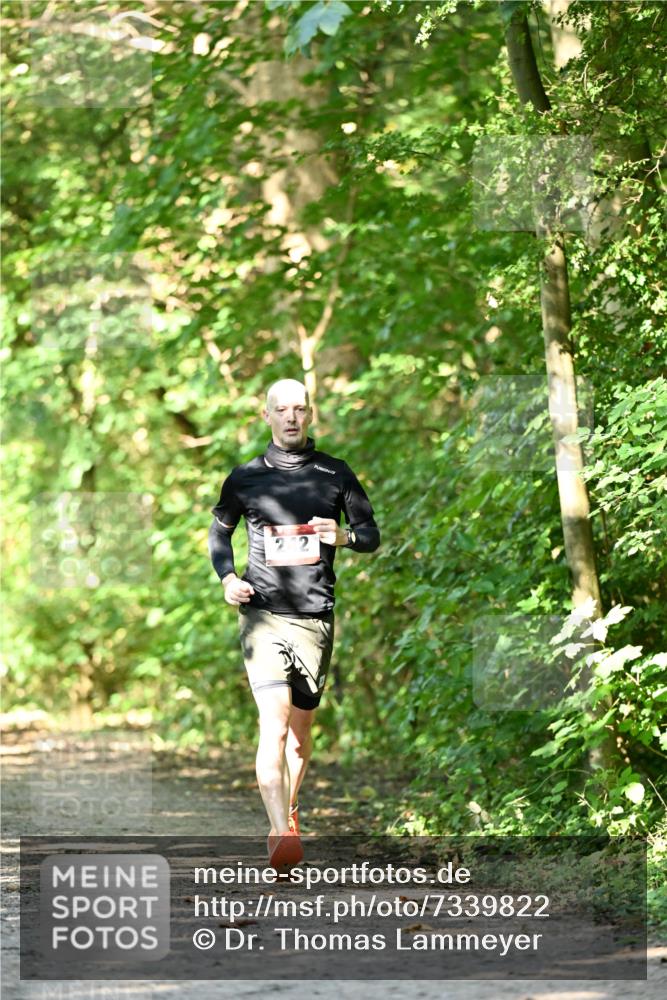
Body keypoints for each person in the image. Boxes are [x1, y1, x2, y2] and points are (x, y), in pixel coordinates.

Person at [208, 378, 380, 870]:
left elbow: (370, 534)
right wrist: (227, 579)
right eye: (280, 410)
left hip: (315, 618)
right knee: (275, 727)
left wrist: (342, 536)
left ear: (310, 415)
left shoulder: (335, 473)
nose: (290, 417)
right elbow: (219, 533)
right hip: (262, 616)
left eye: (298, 409)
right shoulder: (244, 477)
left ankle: (291, 808)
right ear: (266, 416)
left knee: (301, 739)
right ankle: (280, 832)